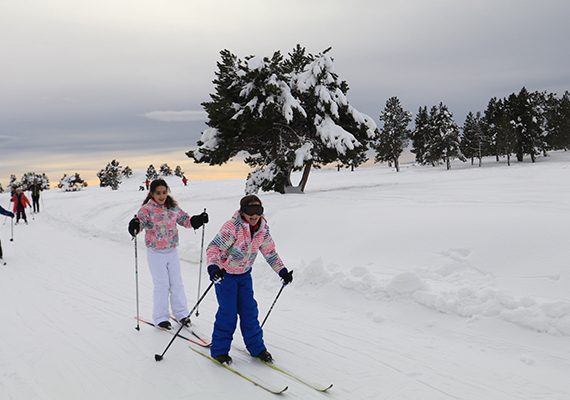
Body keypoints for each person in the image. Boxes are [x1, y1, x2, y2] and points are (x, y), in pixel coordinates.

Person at [206, 195, 293, 365]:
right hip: (225, 276)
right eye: (250, 211)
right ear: (242, 211)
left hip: (244, 276)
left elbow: (270, 252)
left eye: (258, 210)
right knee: (228, 314)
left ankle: (257, 348)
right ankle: (219, 351)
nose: (254, 215)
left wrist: (282, 271)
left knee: (250, 312)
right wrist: (213, 268)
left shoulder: (262, 229)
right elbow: (214, 248)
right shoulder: (233, 227)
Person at [128, 179, 209, 330]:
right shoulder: (146, 210)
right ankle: (161, 317)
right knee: (162, 284)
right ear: (152, 193)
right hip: (155, 252)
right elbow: (140, 223)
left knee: (177, 283)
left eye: (164, 192)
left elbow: (185, 220)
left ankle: (181, 314)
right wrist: (135, 226)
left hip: (171, 250)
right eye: (158, 193)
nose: (162, 196)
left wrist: (198, 220)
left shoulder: (172, 207)